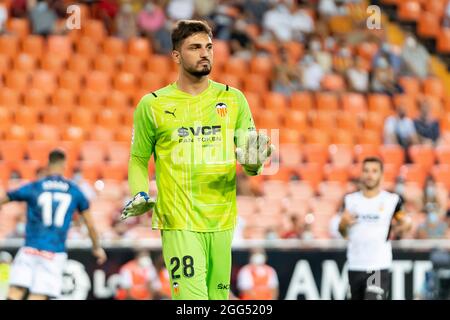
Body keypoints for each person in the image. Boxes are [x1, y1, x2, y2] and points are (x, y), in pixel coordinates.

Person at [120, 20, 274, 300]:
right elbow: (138, 159)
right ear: (177, 56)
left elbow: (252, 163)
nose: (205, 53)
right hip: (178, 220)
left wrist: (254, 162)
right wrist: (140, 193)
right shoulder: (152, 104)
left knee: (218, 300)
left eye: (209, 47)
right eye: (194, 47)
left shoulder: (234, 99)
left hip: (222, 220)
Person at [0, 150, 107, 300]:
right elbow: (90, 224)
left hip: (29, 249)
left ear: (48, 165)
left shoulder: (36, 186)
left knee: (15, 293)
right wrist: (97, 247)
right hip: (53, 252)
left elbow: (6, 197)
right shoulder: (74, 190)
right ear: (64, 165)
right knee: (38, 296)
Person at [338, 157, 412, 300]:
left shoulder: (392, 201)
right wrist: (343, 224)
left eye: (374, 171)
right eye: (366, 171)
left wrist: (404, 225)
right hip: (355, 265)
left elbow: (404, 223)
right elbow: (343, 233)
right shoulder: (350, 200)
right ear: (361, 174)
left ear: (381, 175)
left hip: (377, 266)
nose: (369, 175)